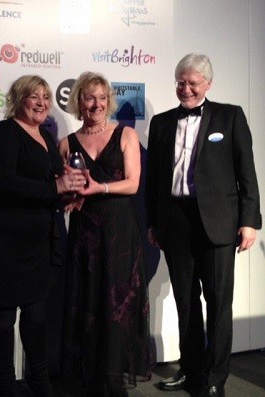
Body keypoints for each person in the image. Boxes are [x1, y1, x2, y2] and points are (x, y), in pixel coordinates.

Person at [145, 53, 262, 397]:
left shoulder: (230, 116)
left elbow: (247, 173)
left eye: (193, 83)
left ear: (208, 84)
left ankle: (216, 377)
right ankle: (190, 368)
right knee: (185, 300)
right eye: (181, 82)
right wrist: (154, 222)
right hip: (176, 221)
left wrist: (249, 222)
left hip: (219, 223)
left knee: (218, 302)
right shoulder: (163, 122)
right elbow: (154, 180)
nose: (186, 88)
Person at [0, 75, 85, 397]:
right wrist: (55, 188)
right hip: (5, 242)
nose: (40, 102)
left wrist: (67, 196)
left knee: (37, 317)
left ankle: (40, 383)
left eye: (45, 96)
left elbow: (49, 184)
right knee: (2, 318)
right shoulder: (5, 132)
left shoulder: (47, 136)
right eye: (33, 96)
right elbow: (3, 181)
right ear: (18, 99)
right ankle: (7, 386)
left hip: (40, 242)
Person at [59, 72, 153, 397]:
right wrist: (71, 196)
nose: (96, 104)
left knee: (118, 303)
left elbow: (133, 183)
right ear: (79, 102)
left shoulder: (125, 134)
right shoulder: (66, 143)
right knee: (88, 299)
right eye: (89, 98)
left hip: (120, 234)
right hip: (85, 233)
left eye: (101, 98)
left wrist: (101, 187)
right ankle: (92, 376)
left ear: (108, 101)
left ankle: (114, 379)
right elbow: (63, 188)